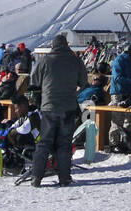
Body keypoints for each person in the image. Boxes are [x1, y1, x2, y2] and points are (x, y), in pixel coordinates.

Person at [29, 33, 88, 187]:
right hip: (68, 106)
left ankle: (36, 177)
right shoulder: (76, 61)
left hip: (49, 106)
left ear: (53, 45)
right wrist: (74, 93)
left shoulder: (45, 60)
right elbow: (84, 83)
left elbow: (34, 81)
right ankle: (64, 178)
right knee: (64, 143)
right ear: (67, 45)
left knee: (44, 143)